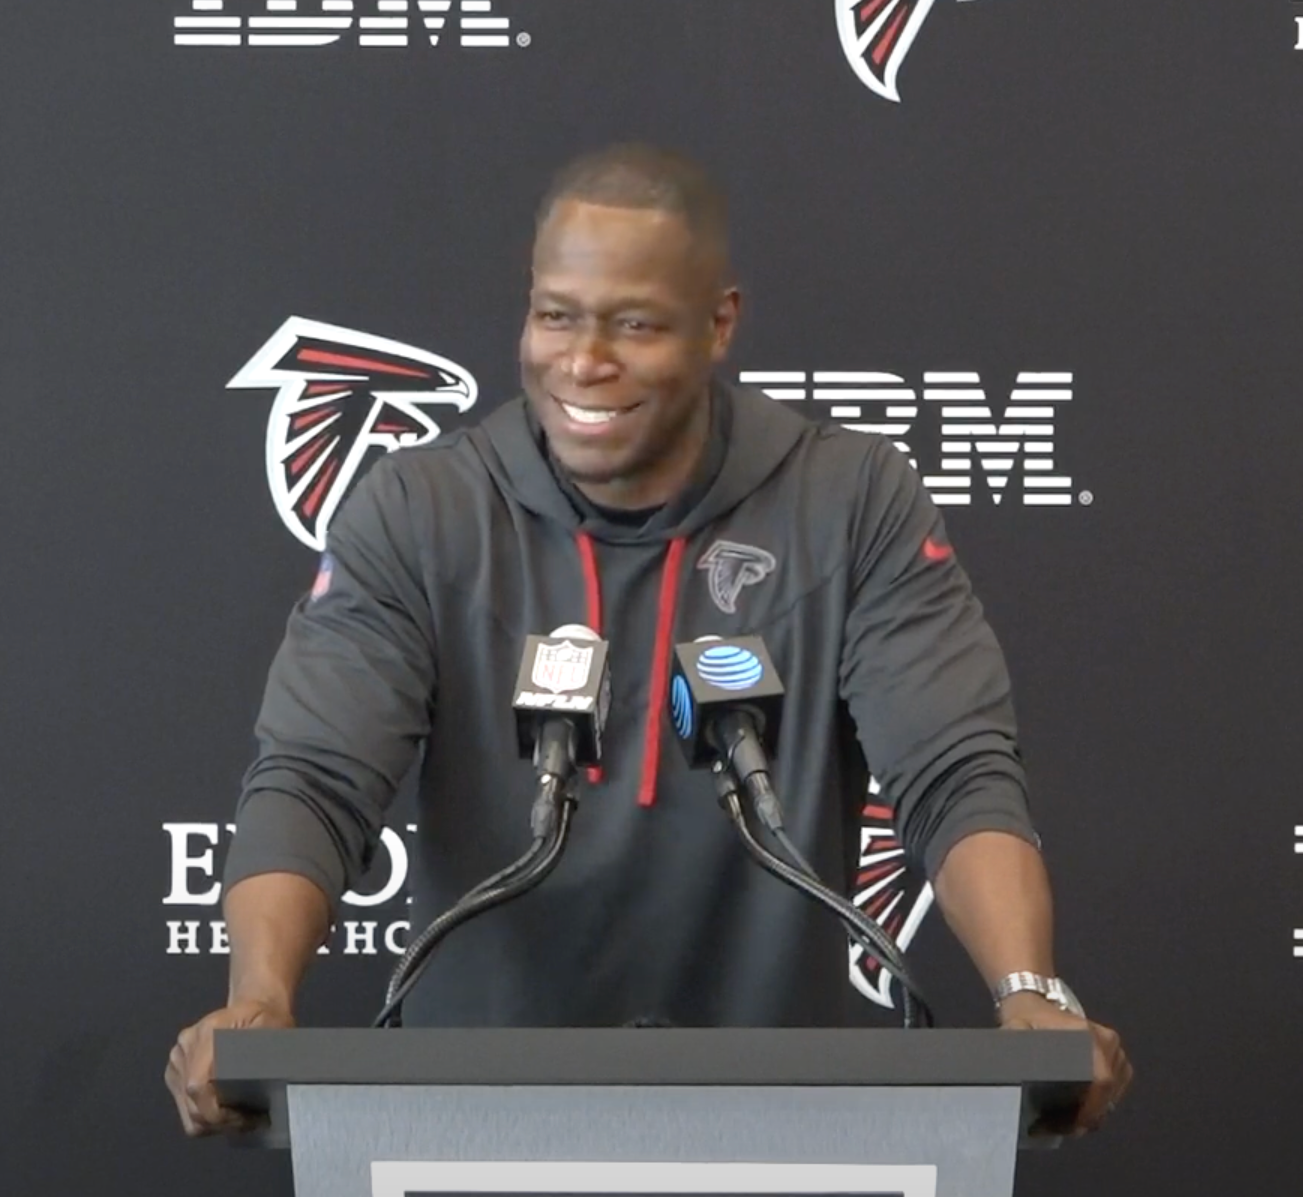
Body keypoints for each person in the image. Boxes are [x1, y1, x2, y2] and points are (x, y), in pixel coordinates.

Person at [167, 144, 1131, 1135]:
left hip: (780, 1112)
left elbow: (954, 767)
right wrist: (261, 1002)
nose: (584, 362)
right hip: (469, 1113)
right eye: (555, 315)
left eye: (633, 323)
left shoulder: (851, 502)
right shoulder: (420, 509)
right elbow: (316, 777)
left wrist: (1027, 990)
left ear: (719, 323)